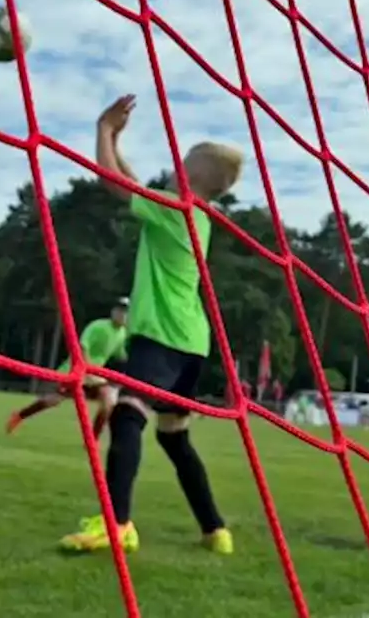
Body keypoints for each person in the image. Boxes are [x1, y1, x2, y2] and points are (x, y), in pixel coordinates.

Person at [60, 95, 240, 556]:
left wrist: (103, 129)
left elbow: (113, 182)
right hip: (191, 342)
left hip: (163, 336)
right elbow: (134, 182)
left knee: (127, 415)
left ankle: (116, 524)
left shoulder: (176, 209)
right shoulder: (191, 215)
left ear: (194, 176)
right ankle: (215, 529)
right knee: (173, 436)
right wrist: (117, 141)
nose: (177, 165)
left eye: (185, 161)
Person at [6, 297, 129, 438]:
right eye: (119, 310)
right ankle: (19, 416)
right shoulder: (98, 326)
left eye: (124, 312)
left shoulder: (123, 334)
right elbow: (83, 347)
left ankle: (92, 440)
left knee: (109, 401)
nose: (121, 314)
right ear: (113, 311)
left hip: (94, 374)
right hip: (76, 370)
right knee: (52, 400)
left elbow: (122, 356)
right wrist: (85, 370)